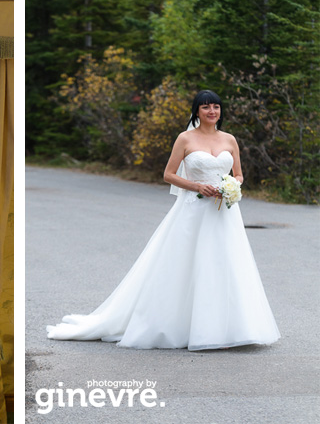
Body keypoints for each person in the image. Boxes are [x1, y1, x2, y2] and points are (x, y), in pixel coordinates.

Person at [46, 90, 280, 351]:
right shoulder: (185, 138)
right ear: (197, 112)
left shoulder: (230, 139)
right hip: (194, 210)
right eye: (205, 108)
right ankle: (180, 325)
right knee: (186, 265)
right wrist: (197, 186)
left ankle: (232, 327)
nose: (212, 111)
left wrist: (230, 186)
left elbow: (238, 174)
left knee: (226, 263)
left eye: (216, 106)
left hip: (224, 211)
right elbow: (168, 174)